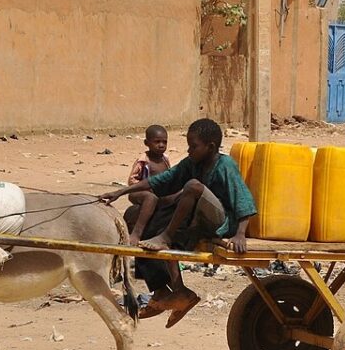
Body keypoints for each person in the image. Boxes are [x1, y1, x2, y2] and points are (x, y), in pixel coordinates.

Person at [100, 118, 257, 328]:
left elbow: (243, 199)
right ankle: (168, 291)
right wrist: (120, 192)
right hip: (195, 219)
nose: (189, 150)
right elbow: (161, 180)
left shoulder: (225, 165)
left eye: (194, 146)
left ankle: (165, 239)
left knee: (192, 186)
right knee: (140, 218)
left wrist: (240, 233)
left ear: (210, 147)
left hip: (219, 221)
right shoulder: (192, 163)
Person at [125, 125, 172, 244]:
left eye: (164, 142)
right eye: (157, 142)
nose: (161, 145)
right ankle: (137, 233)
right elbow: (132, 180)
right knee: (151, 198)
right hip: (140, 193)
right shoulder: (143, 160)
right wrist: (148, 187)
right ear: (147, 143)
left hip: (159, 193)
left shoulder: (165, 159)